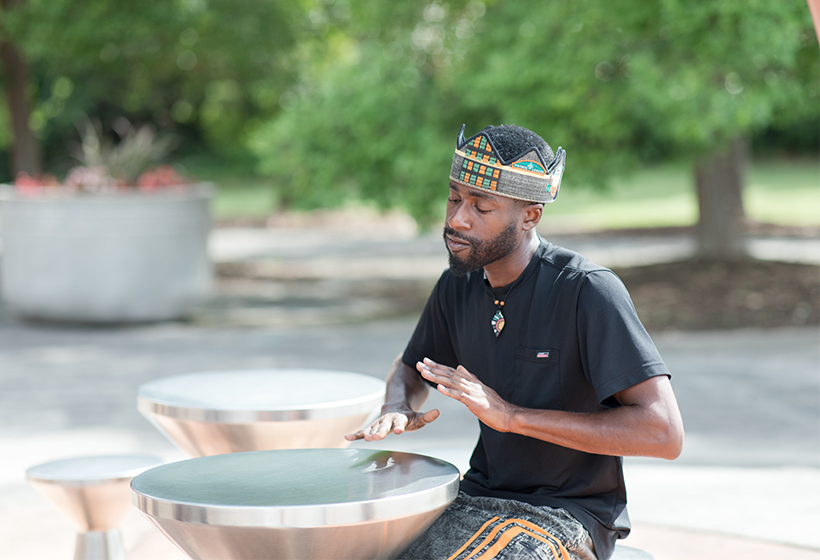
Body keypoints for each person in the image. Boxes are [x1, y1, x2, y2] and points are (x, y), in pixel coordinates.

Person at [346, 124, 684, 560]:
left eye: (481, 207)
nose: (456, 219)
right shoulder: (458, 284)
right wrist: (396, 405)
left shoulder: (586, 291)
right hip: (475, 498)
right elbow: (413, 364)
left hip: (567, 515)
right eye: (454, 198)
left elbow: (663, 432)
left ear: (530, 217)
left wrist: (511, 416)